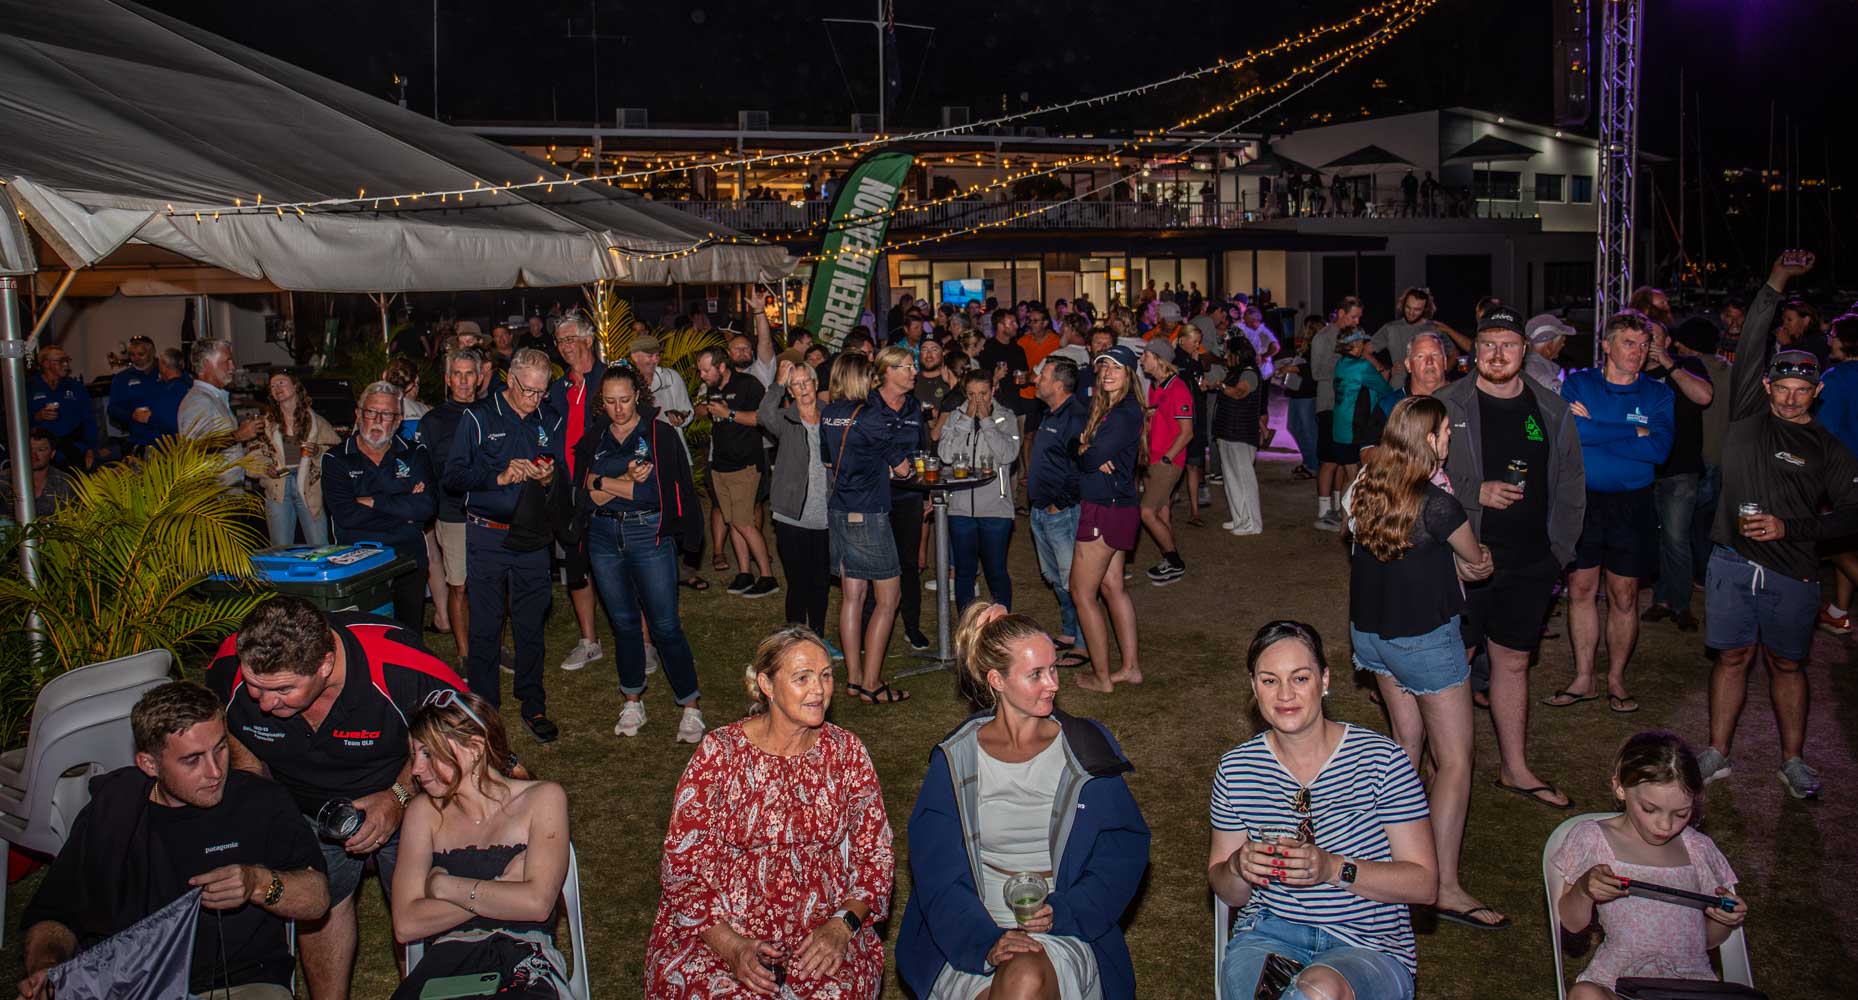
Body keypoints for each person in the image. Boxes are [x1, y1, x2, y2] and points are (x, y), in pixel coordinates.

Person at [205, 597, 466, 1000]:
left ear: (325, 665)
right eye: (255, 686)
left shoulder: (401, 667)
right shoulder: (229, 664)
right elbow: (224, 722)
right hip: (302, 808)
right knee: (321, 904)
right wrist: (255, 784)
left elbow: (462, 739)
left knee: (417, 908)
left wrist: (397, 797)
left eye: (283, 690)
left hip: (405, 796)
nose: (265, 703)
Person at [15, 681, 330, 1000]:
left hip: (237, 983)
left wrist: (258, 883)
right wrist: (48, 967)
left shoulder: (260, 802)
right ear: (148, 764)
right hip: (129, 983)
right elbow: (55, 914)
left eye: (220, 748)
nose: (215, 771)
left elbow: (317, 899)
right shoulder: (114, 810)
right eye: (192, 760)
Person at [899, 604, 1150, 1000]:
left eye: (1053, 669)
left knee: (1023, 979)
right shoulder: (957, 758)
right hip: (970, 933)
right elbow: (937, 872)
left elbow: (1122, 850)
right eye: (1035, 674)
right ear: (997, 680)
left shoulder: (1083, 749)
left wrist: (1065, 910)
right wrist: (984, 941)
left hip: (1059, 929)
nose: (1052, 684)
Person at [643, 627, 895, 998]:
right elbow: (683, 867)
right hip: (719, 932)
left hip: (820, 934)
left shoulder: (846, 753)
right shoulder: (720, 754)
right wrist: (733, 947)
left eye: (826, 675)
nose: (819, 689)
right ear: (767, 684)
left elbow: (877, 857)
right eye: (802, 678)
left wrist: (842, 925)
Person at [1209, 620, 1437, 1000]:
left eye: (1300, 678)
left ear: (1324, 680)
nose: (1285, 694)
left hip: (1369, 942)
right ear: (1254, 687)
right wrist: (1236, 867)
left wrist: (1332, 868)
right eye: (1269, 680)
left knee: (1319, 991)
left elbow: (1424, 885)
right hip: (1270, 934)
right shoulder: (1237, 770)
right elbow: (1228, 893)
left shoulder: (1381, 761)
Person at [1697, 252, 1853, 800]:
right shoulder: (1746, 415)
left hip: (1792, 570)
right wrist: (1778, 281)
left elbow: (1854, 513)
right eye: (1781, 388)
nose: (1789, 399)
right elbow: (1756, 336)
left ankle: (1793, 760)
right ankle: (1716, 753)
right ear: (1766, 387)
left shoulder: (1827, 448)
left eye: (1801, 391)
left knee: (1787, 664)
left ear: (1817, 392)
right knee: (1732, 657)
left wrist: (1792, 528)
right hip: (1730, 563)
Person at [1345, 397, 1505, 930]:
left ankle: (1390, 858)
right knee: (1456, 759)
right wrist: (1481, 564)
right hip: (1422, 641)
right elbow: (1476, 563)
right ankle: (1442, 885)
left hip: (1371, 637)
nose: (1450, 439)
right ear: (1429, 439)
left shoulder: (1364, 488)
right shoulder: (1438, 505)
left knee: (1405, 744)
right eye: (1444, 432)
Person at [1437, 305, 1585, 809]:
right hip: (1460, 559)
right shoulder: (1446, 405)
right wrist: (1477, 491)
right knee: (1457, 662)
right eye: (1487, 345)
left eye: (1508, 344)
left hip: (1529, 562)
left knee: (1515, 662)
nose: (1497, 354)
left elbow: (1570, 487)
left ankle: (1515, 769)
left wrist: (1557, 556)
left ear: (1525, 351)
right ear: (1474, 351)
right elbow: (1414, 477)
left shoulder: (1550, 409)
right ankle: (1445, 768)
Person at [390, 691, 573, 999]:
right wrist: (501, 885)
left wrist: (443, 886)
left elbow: (537, 905)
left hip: (524, 959)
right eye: (413, 756)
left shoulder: (542, 798)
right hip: (446, 967)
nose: (416, 771)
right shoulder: (424, 812)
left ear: (473, 748)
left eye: (428, 754)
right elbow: (407, 924)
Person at [1552, 731, 1747, 1000]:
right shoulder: (1593, 838)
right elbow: (1572, 924)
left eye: (1682, 813)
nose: (1665, 825)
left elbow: (1708, 940)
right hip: (1620, 984)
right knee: (1585, 995)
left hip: (1690, 987)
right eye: (1650, 809)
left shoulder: (1698, 850)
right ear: (1620, 787)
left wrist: (1724, 919)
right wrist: (1584, 890)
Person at [1547, 313, 1674, 716]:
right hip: (1583, 502)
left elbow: (1659, 450)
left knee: (1624, 595)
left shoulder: (1657, 393)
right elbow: (1573, 436)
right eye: (1628, 343)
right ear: (1607, 345)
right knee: (1581, 590)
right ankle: (1583, 678)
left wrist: (1597, 427)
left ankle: (1616, 678)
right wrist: (1630, 431)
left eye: (1643, 345)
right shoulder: (1579, 383)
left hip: (1631, 505)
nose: (1637, 353)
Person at [576, 366, 707, 743]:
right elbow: (588, 491)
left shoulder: (658, 435)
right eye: (610, 401)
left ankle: (690, 706)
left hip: (647, 534)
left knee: (665, 625)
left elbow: (654, 494)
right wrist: (624, 480)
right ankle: (632, 700)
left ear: (639, 396)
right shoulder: (594, 436)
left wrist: (606, 481)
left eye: (625, 399)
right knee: (623, 624)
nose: (618, 408)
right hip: (602, 536)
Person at [444, 347, 566, 743]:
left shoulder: (549, 417)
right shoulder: (477, 418)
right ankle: (484, 710)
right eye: (528, 391)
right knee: (486, 624)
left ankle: (532, 702)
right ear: (511, 381)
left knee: (531, 623)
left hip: (531, 535)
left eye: (540, 392)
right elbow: (453, 476)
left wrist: (548, 479)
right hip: (488, 534)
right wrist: (497, 477)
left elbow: (562, 471)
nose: (534, 400)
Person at [822, 350, 916, 705]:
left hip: (840, 511)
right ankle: (872, 684)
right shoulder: (871, 416)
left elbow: (829, 461)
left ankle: (854, 677)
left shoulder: (828, 413)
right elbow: (903, 468)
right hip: (870, 513)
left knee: (852, 597)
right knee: (888, 599)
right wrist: (894, 467)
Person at [323, 381, 439, 628]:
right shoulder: (336, 459)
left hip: (407, 557)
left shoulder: (415, 454)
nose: (377, 420)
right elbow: (346, 516)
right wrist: (403, 504)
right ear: (358, 414)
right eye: (371, 412)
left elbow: (426, 508)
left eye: (386, 414)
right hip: (356, 560)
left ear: (398, 421)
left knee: (407, 634)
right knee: (363, 636)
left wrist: (373, 501)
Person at [1071, 346, 1145, 693]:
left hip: (1106, 506)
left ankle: (1102, 677)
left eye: (1116, 367)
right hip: (1117, 504)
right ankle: (1130, 668)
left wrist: (1089, 451)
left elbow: (1091, 455)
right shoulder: (1110, 409)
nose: (1108, 373)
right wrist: (1085, 448)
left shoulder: (1124, 413)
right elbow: (1082, 447)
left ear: (1129, 373)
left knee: (1081, 591)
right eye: (1104, 367)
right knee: (1112, 586)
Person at [1640, 317, 1717, 633]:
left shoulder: (1687, 364)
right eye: (1643, 339)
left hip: (1680, 468)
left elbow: (1704, 397)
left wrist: (1668, 363)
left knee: (1675, 536)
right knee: (1656, 536)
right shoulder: (1632, 373)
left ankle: (1682, 605)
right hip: (1644, 468)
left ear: (1668, 341)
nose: (1649, 344)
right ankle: (1662, 599)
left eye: (1654, 337)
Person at [758, 355, 838, 650]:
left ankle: (817, 638)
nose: (803, 389)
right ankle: (794, 640)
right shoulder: (785, 419)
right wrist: (777, 384)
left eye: (807, 382)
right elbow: (763, 415)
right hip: (791, 515)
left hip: (825, 515)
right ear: (790, 391)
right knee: (798, 582)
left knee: (820, 582)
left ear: (817, 385)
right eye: (796, 385)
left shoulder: (830, 417)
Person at [545, 317, 610, 672]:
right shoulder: (559, 388)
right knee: (576, 565)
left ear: (589, 339)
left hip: (605, 488)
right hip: (568, 490)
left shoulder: (610, 381)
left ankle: (644, 642)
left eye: (571, 338)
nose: (565, 345)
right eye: (559, 340)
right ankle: (589, 641)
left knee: (621, 565)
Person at [697, 347, 779, 598]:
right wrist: (703, 409)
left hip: (745, 465)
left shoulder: (749, 385)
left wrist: (728, 414)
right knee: (733, 520)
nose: (701, 375)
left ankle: (768, 577)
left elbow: (761, 418)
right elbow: (705, 411)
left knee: (744, 522)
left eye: (705, 370)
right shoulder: (713, 387)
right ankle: (745, 573)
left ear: (721, 367)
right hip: (720, 464)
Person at [417, 348, 483, 660]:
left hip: (491, 514)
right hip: (453, 514)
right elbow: (424, 469)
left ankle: (493, 648)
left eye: (469, 373)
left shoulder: (492, 413)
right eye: (457, 374)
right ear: (447, 379)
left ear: (479, 377)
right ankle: (465, 654)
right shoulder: (432, 421)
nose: (464, 380)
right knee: (459, 585)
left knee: (493, 586)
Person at [938, 370, 1021, 612]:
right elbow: (944, 454)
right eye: (972, 394)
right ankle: (966, 625)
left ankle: (1002, 625)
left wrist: (987, 423)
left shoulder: (1006, 417)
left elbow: (1008, 454)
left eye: (983, 394)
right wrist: (965, 421)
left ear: (993, 390)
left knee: (996, 571)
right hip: (961, 507)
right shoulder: (956, 417)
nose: (978, 400)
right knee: (964, 571)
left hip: (996, 508)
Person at [1028, 356, 1088, 663]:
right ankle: (1068, 631)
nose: (1037, 380)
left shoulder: (1075, 417)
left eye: (1043, 376)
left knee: (1073, 580)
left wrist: (1058, 504)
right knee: (1054, 576)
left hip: (1061, 513)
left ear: (1059, 385)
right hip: (1042, 510)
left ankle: (1082, 643)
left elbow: (1080, 469)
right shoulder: (1051, 412)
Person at [250, 370, 340, 548]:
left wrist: (317, 452)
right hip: (278, 487)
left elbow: (335, 452)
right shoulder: (266, 425)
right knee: (280, 546)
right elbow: (252, 455)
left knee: (319, 545)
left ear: (295, 386)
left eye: (281, 383)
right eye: (273, 386)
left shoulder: (316, 422)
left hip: (308, 486)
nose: (277, 388)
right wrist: (265, 467)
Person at [1139, 338, 1194, 584]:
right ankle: (1169, 561)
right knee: (1162, 513)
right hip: (1155, 458)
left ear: (1158, 359)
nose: (1142, 360)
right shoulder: (1156, 386)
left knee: (1146, 512)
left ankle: (1174, 561)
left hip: (1167, 462)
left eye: (1145, 355)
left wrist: (1166, 458)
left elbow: (1187, 432)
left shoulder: (1178, 389)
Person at [1313, 296, 1363, 531]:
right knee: (1329, 461)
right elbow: (1316, 372)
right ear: (1341, 314)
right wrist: (1344, 360)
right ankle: (1323, 511)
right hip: (1328, 406)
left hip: (1347, 409)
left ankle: (1337, 506)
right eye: (1353, 316)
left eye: (1359, 317)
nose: (1356, 321)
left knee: (1345, 462)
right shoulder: (1323, 337)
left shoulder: (1354, 336)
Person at [1212, 334, 1265, 536]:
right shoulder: (1237, 371)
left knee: (1243, 478)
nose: (1225, 356)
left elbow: (1239, 393)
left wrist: (1222, 386)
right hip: (1229, 430)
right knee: (1232, 478)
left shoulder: (1249, 373)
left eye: (1228, 352)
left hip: (1241, 432)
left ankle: (1252, 522)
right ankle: (1239, 518)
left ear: (1237, 354)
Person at [1332, 328, 1395, 487]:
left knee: (1348, 475)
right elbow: (1384, 389)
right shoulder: (1362, 366)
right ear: (1356, 344)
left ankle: (1341, 511)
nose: (1365, 345)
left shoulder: (1340, 364)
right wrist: (1385, 374)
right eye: (1362, 342)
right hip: (1354, 429)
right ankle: (1348, 512)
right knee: (1354, 478)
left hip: (1340, 427)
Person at [27, 344, 98, 470]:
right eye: (60, 361)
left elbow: (89, 420)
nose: (66, 365)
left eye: (67, 360)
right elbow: (15, 422)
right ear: (46, 364)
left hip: (73, 450)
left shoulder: (75, 387)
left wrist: (91, 449)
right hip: (40, 454)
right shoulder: (29, 388)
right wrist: (38, 416)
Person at [1279, 316, 1323, 479]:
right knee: (1294, 426)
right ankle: (1309, 460)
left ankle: (1314, 465)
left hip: (1307, 392)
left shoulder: (1317, 345)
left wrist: (1292, 367)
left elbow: (1311, 368)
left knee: (1308, 428)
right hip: (1297, 390)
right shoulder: (1307, 345)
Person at [107, 336, 165, 455]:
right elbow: (112, 409)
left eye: (140, 354)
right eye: (132, 355)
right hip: (141, 440)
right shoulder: (122, 379)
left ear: (152, 353)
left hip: (169, 439)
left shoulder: (167, 371)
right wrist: (131, 415)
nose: (136, 359)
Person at [1, 428, 78, 516]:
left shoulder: (66, 483)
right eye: (29, 449)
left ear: (52, 453)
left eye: (41, 450)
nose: (33, 455)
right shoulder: (4, 480)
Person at [1525, 314, 1574, 395]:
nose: (1563, 345)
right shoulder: (1540, 375)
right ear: (1549, 346)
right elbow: (1568, 399)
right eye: (1561, 342)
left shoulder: (1534, 369)